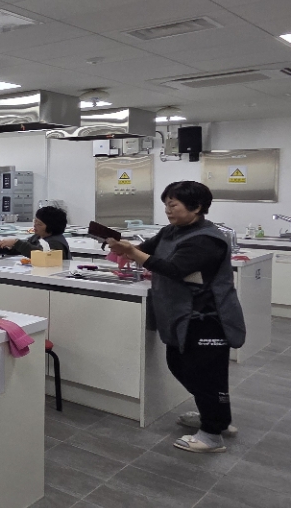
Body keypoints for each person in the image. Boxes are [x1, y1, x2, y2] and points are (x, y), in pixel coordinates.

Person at [105, 181, 245, 454]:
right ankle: (216, 416)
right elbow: (148, 250)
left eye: (173, 205)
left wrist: (134, 252)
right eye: (166, 205)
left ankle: (212, 435)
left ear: (197, 207)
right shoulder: (171, 231)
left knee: (205, 373)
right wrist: (124, 248)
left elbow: (174, 268)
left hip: (207, 316)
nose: (168, 210)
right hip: (182, 314)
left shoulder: (207, 239)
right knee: (181, 366)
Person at [0, 206, 72, 259]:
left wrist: (17, 243)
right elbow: (25, 250)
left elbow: (42, 255)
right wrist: (8, 248)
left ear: (51, 227)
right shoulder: (37, 237)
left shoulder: (56, 243)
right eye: (35, 221)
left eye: (39, 224)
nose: (35, 225)